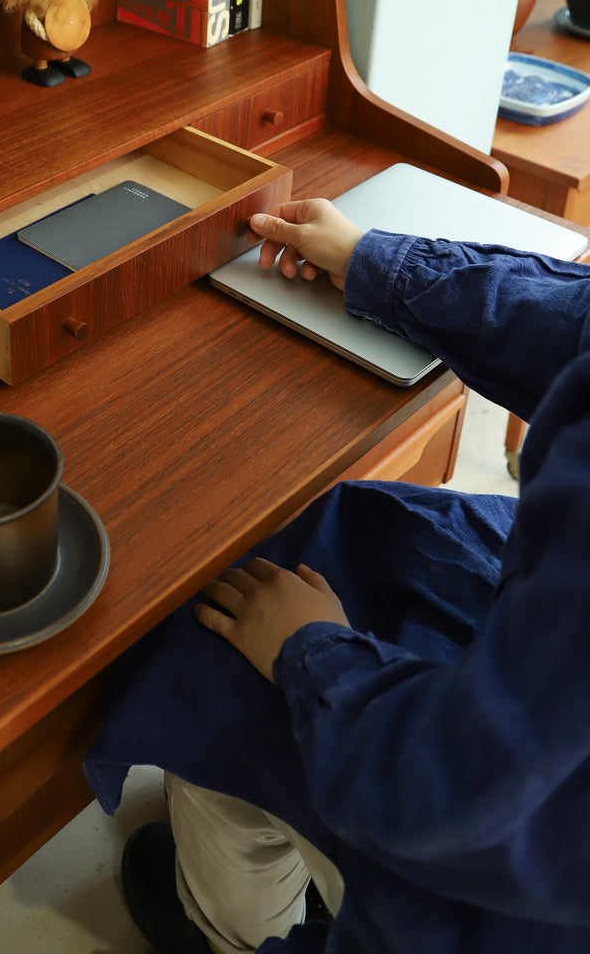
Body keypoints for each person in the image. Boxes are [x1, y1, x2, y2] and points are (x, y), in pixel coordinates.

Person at [83, 199, 590, 953]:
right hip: (534, 645)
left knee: (211, 641)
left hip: (512, 890)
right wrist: (375, 263)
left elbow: (451, 793)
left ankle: (228, 929)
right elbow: (572, 323)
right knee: (340, 532)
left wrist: (311, 652)